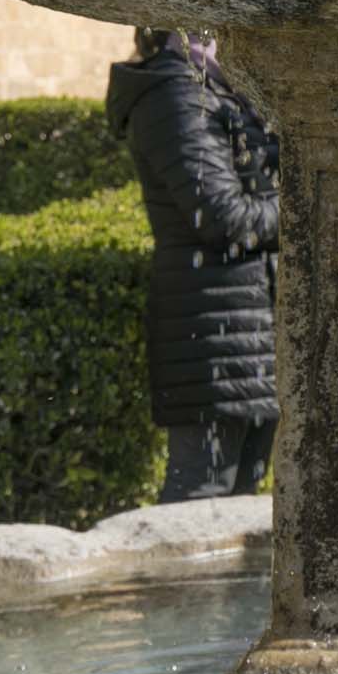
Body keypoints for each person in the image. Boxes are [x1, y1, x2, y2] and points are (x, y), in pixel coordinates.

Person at [109, 27, 281, 501]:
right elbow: (223, 218)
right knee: (199, 498)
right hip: (211, 332)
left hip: (253, 330)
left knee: (243, 500)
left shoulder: (223, 84)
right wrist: (307, 209)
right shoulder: (176, 92)